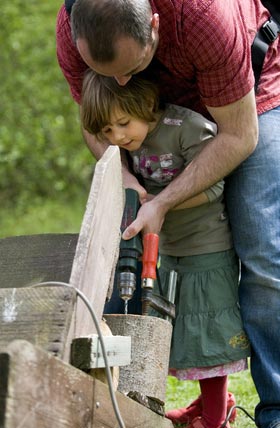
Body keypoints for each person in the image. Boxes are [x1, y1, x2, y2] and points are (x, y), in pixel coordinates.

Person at [56, 1, 280, 427]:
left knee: (263, 248)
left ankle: (277, 410)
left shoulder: (203, 16)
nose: (119, 81)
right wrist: (126, 180)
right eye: (107, 74)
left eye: (128, 67)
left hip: (247, 98)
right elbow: (92, 117)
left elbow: (238, 134)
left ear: (154, 27)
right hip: (146, 114)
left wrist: (161, 201)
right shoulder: (74, 28)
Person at [81, 71, 251, 428]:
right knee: (177, 332)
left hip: (205, 249)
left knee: (207, 334)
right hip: (164, 249)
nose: (118, 138)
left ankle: (215, 419)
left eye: (123, 124)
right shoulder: (132, 140)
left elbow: (215, 186)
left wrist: (159, 203)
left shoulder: (187, 128)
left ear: (144, 104)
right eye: (108, 132)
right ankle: (207, 407)